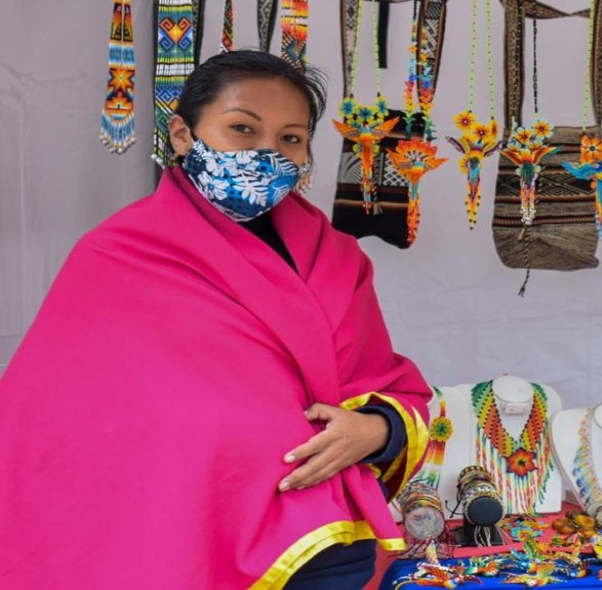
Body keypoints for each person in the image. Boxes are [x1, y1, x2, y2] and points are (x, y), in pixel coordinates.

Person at [0, 50, 431, 589]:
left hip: (330, 542)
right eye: (242, 129)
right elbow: (48, 424)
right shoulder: (117, 256)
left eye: (290, 138)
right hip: (182, 541)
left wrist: (374, 429)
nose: (267, 153)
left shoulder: (338, 258)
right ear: (183, 135)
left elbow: (391, 388)